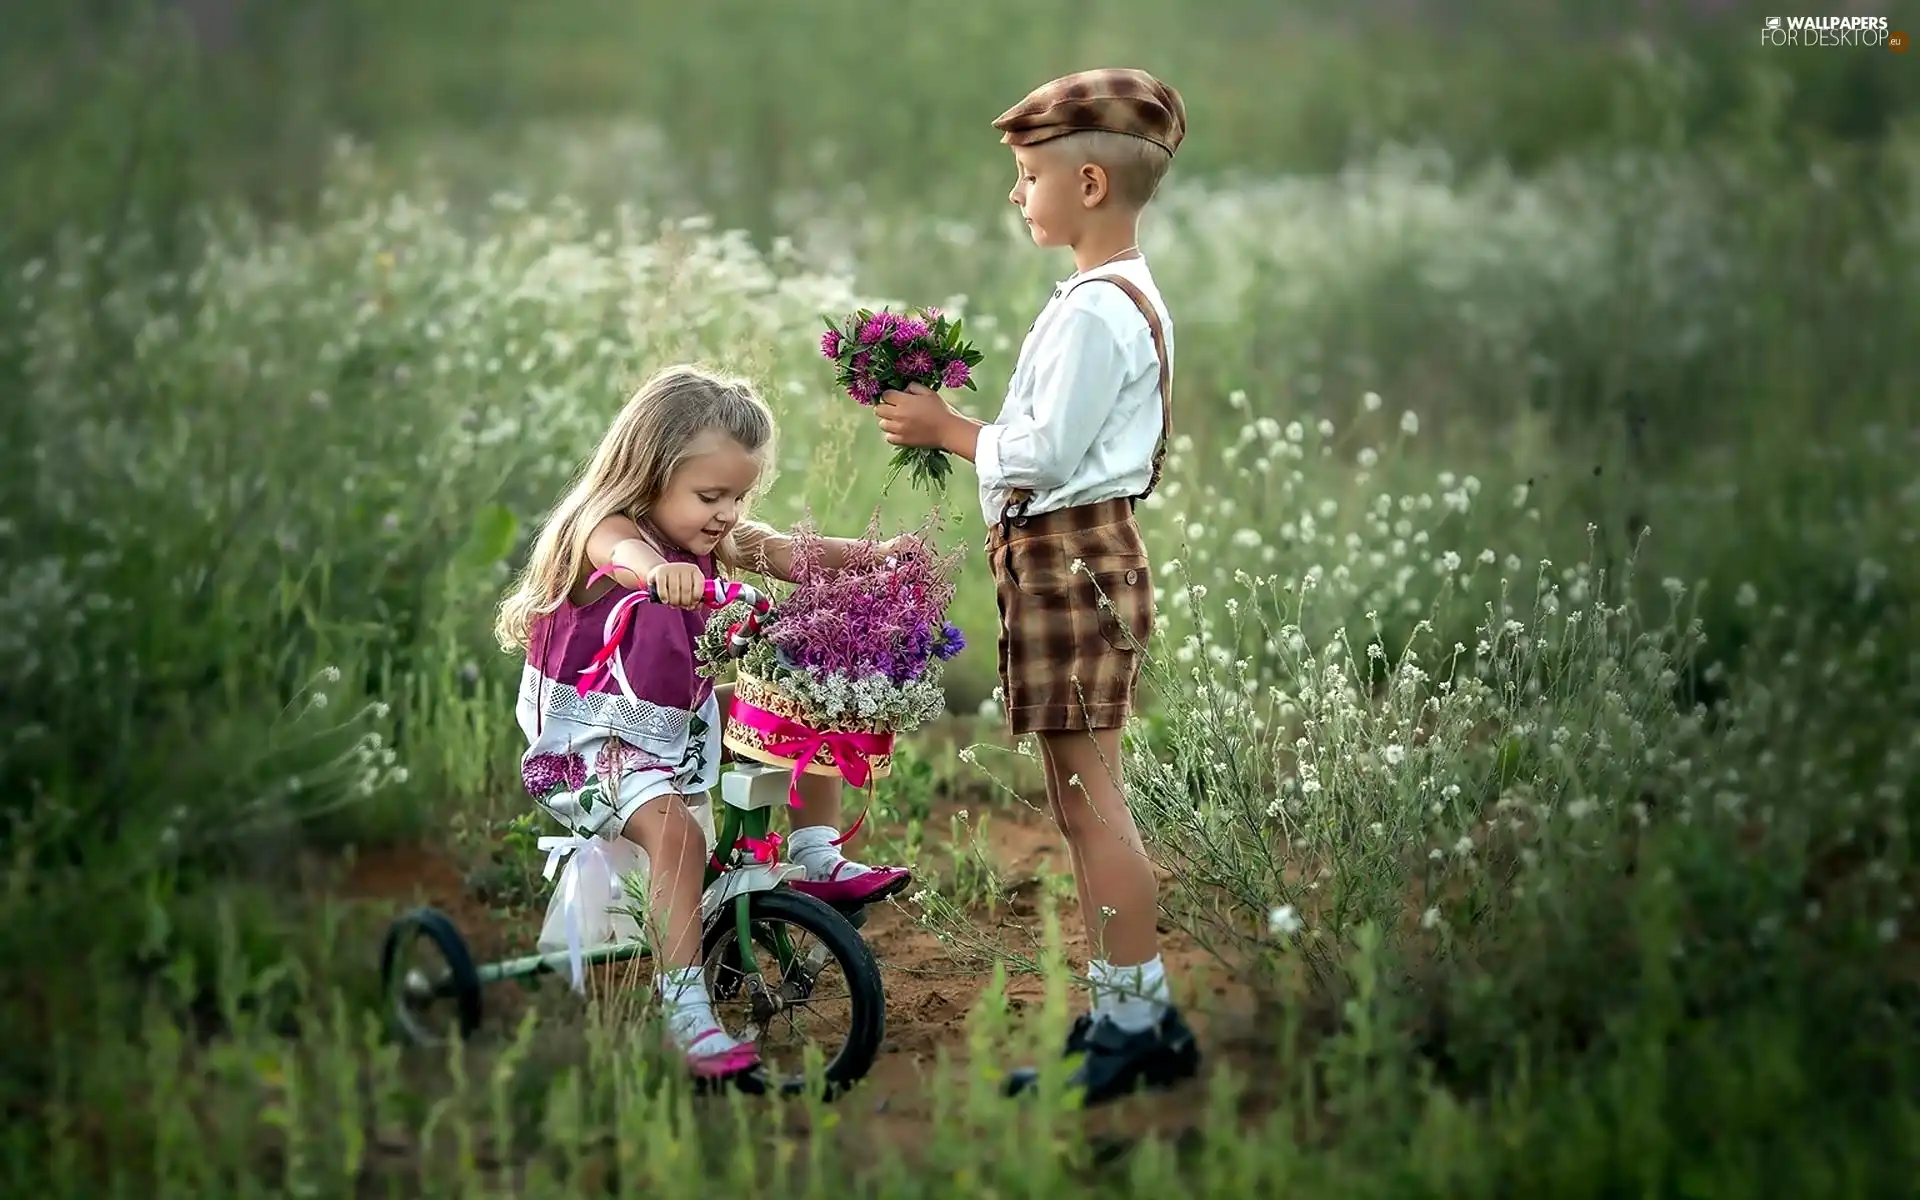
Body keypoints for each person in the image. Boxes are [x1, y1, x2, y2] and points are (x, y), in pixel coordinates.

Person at [872, 68, 1199, 1106]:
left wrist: (949, 430)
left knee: (1091, 801)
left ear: (1090, 183)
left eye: (1027, 175)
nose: (1017, 195)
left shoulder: (1102, 310)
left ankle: (1135, 1027)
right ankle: (1133, 1012)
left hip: (1072, 560)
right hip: (1065, 559)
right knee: (1080, 796)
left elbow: (1046, 453)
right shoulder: (1103, 297)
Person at [494, 363, 912, 1083]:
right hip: (590, 742)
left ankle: (813, 852)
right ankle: (684, 1014)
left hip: (668, 724)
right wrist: (655, 573)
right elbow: (618, 555)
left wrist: (876, 559)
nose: (725, 512)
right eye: (710, 495)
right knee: (678, 836)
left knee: (798, 699)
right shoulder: (610, 525)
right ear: (649, 472)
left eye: (738, 495)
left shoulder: (712, 533)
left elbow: (789, 554)